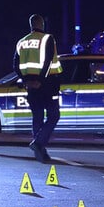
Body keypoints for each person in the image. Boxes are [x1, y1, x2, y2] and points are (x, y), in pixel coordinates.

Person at [14, 14, 62, 163]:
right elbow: (47, 62)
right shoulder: (48, 38)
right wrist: (40, 80)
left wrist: (27, 80)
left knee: (37, 117)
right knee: (54, 115)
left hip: (31, 86)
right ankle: (39, 143)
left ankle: (40, 152)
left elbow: (15, 65)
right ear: (42, 24)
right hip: (48, 84)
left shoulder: (22, 42)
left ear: (31, 25)